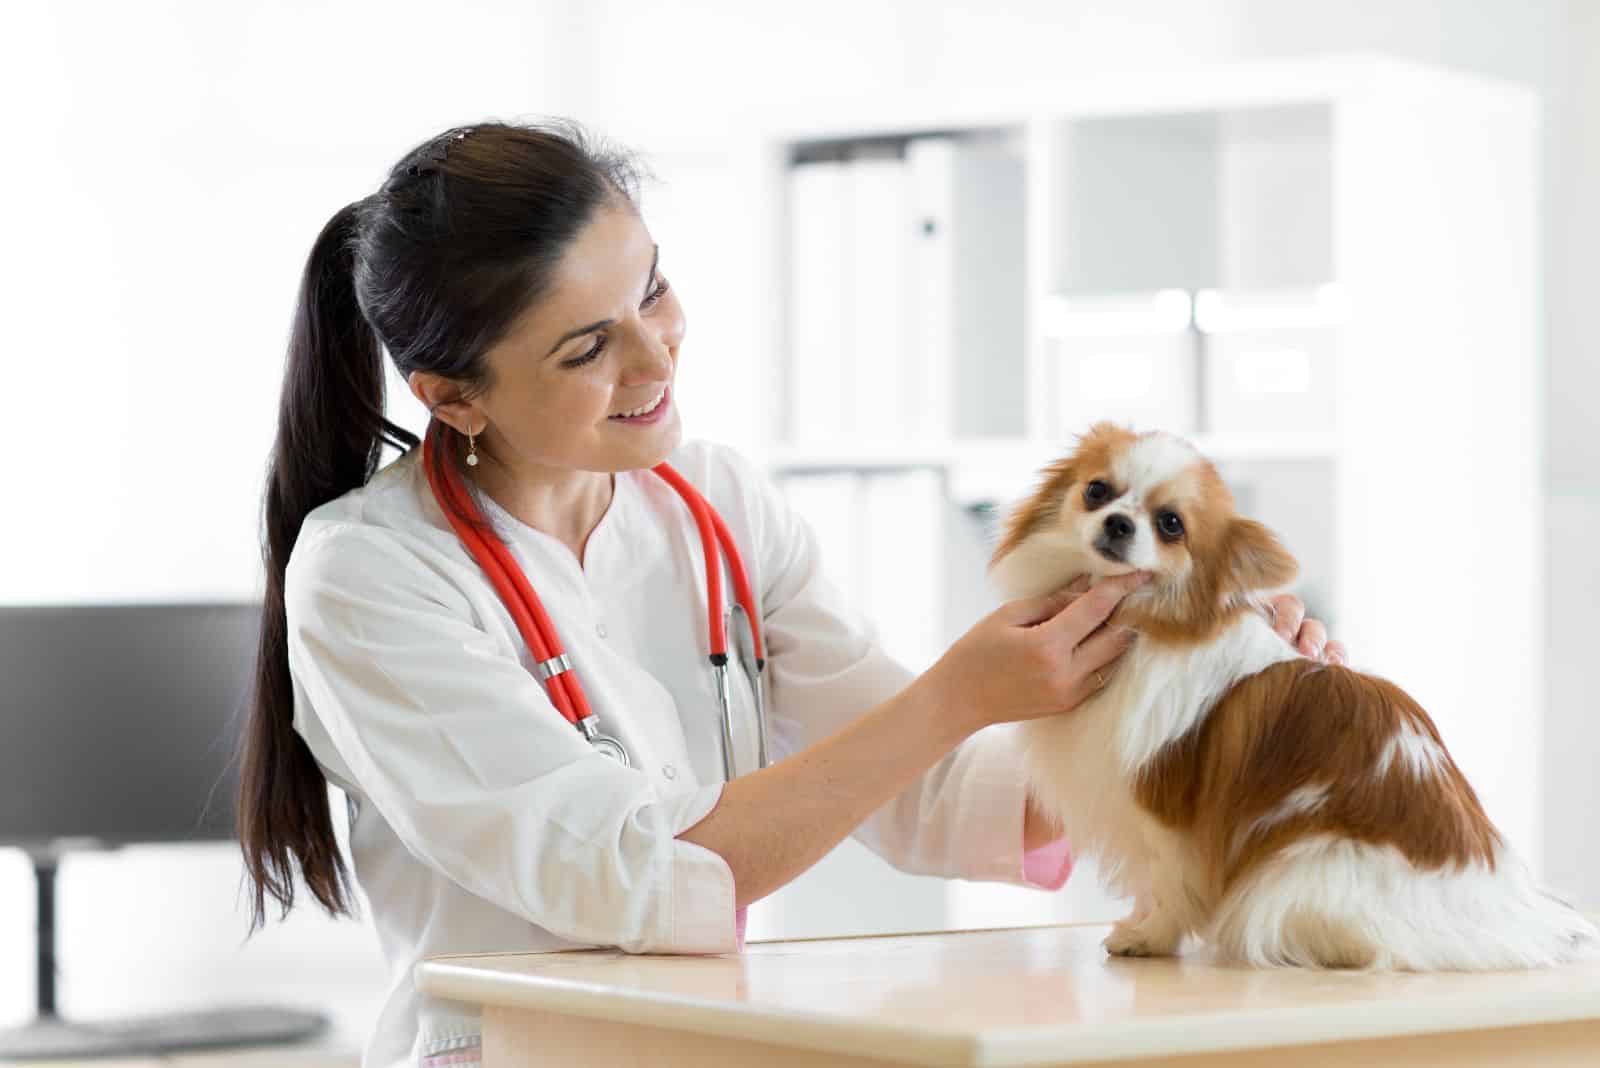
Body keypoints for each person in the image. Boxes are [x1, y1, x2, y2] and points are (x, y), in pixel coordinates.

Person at [237, 118, 1343, 1068]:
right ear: (452, 396)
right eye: (589, 347)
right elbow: (628, 876)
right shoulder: (371, 573)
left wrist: (1189, 718)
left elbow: (922, 792)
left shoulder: (713, 504)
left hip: (708, 1039)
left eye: (654, 290)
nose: (656, 357)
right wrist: (960, 693)